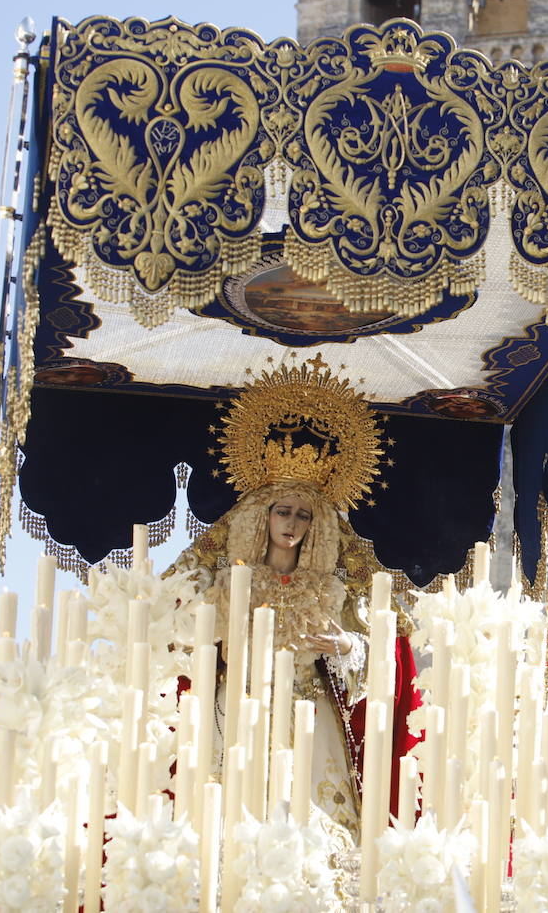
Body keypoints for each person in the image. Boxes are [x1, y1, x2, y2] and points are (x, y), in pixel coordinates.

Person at [170, 355, 421, 840]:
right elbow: (171, 626)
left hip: (310, 715)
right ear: (261, 517)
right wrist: (213, 637)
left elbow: (390, 644)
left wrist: (347, 647)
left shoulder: (332, 587)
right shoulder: (224, 583)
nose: (291, 524)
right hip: (237, 710)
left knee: (317, 826)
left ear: (317, 525)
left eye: (304, 515)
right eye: (282, 511)